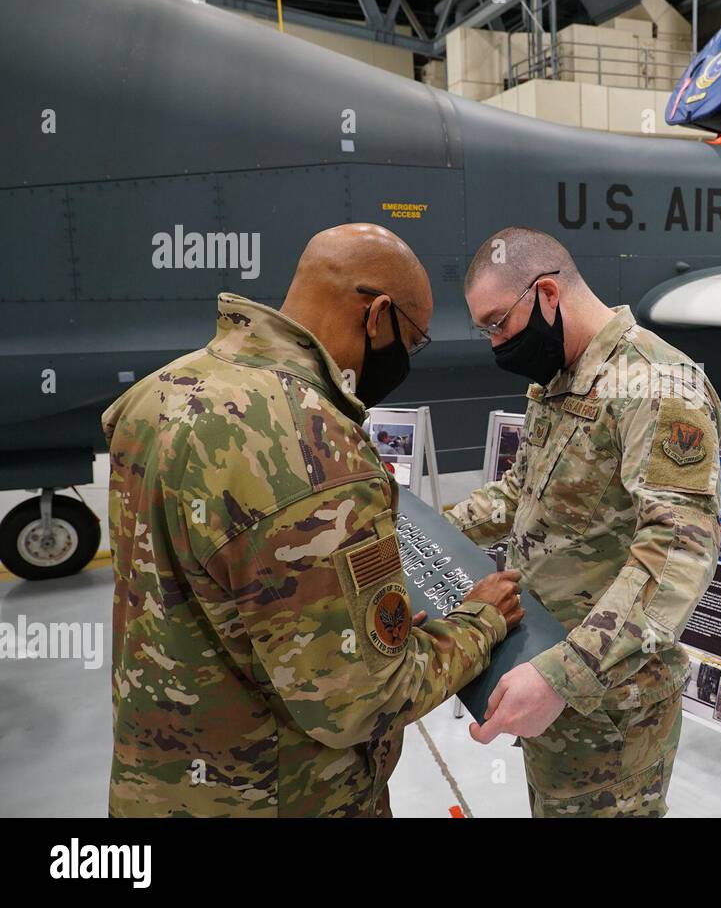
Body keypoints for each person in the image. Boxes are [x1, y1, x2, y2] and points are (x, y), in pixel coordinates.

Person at [102, 223, 523, 817]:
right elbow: (361, 702)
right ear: (377, 316)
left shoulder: (160, 393)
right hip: (281, 794)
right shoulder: (315, 448)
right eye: (414, 339)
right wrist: (481, 622)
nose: (407, 357)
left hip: (158, 787)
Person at [445, 226, 721, 817]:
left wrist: (563, 675)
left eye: (498, 322)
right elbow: (522, 495)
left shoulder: (655, 383)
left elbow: (677, 552)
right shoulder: (562, 380)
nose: (495, 343)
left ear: (547, 293)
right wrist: (430, 527)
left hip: (611, 711)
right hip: (548, 678)